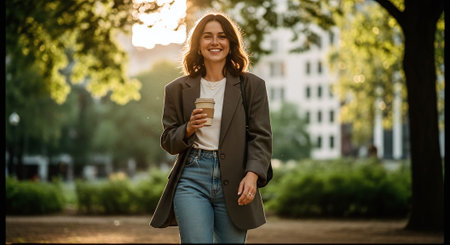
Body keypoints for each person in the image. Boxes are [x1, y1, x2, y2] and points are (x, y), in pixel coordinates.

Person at [150, 12, 273, 244]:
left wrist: (252, 175)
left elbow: (261, 137)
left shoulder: (252, 86)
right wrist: (188, 128)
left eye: (222, 36)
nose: (215, 42)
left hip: (236, 177)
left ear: (231, 43)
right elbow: (168, 140)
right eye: (207, 36)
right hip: (192, 177)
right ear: (197, 44)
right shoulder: (176, 89)